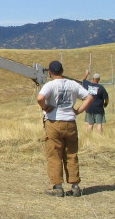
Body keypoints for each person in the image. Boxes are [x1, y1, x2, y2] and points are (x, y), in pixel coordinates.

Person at [36, 61, 93, 197]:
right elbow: (89, 97)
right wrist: (78, 111)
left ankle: (58, 186)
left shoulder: (50, 85)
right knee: (71, 154)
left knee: (54, 154)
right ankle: (75, 185)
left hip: (54, 121)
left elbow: (40, 98)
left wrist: (45, 107)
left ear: (50, 72)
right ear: (62, 70)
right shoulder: (73, 84)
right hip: (70, 121)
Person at [81, 70, 109, 134]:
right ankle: (100, 137)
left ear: (93, 79)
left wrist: (87, 74)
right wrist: (105, 104)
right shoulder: (101, 88)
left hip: (89, 108)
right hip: (98, 109)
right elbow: (106, 98)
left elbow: (83, 80)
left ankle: (89, 136)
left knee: (90, 124)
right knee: (99, 124)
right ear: (99, 79)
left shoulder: (88, 85)